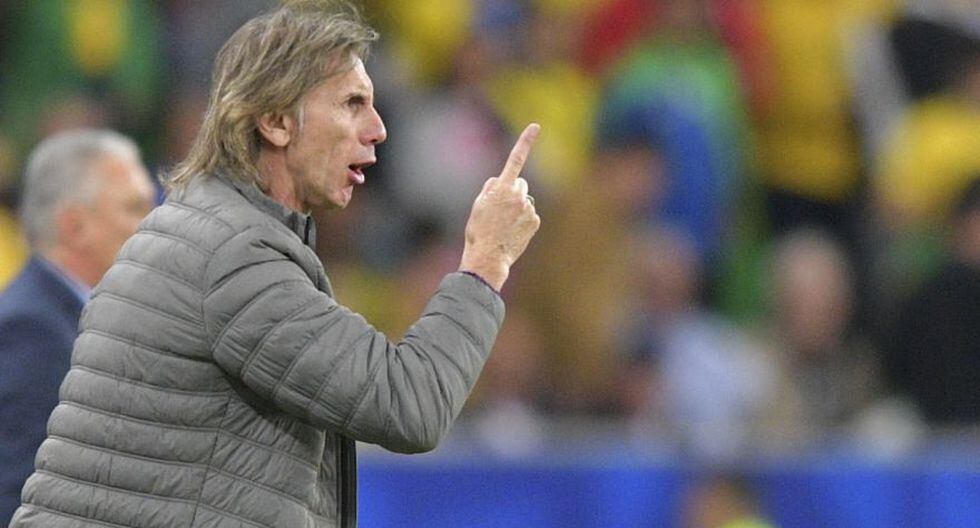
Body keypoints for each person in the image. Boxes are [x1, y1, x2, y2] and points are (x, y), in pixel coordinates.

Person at [11, 4, 541, 528]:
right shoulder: (233, 258)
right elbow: (410, 404)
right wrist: (485, 261)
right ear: (276, 121)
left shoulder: (200, 229)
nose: (379, 129)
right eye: (352, 103)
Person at [0, 129, 156, 525]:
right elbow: (19, 493)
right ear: (74, 226)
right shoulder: (31, 330)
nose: (153, 225)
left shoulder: (80, 317)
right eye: (135, 207)